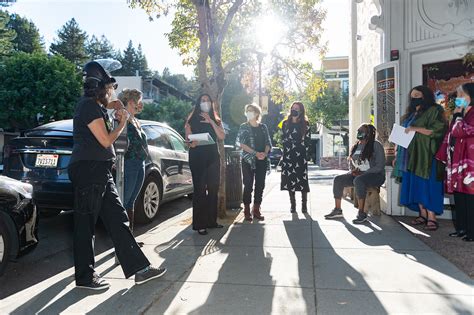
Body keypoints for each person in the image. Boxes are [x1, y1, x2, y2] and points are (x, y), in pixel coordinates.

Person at [68, 61, 166, 290]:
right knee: (85, 224)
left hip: (99, 170)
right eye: (110, 86)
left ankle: (140, 269)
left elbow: (111, 103)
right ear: (100, 86)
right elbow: (105, 140)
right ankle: (84, 277)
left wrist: (118, 105)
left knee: (118, 219)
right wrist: (122, 122)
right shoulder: (88, 107)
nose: (112, 90)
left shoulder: (95, 105)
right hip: (89, 170)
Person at [393, 85, 446, 231]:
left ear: (425, 96)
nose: (414, 98)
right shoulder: (411, 115)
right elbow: (403, 134)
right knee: (416, 185)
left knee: (428, 185)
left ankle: (432, 217)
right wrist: (397, 152)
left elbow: (437, 131)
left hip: (427, 156)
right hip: (410, 157)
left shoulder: (435, 110)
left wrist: (415, 129)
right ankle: (422, 214)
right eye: (412, 96)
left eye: (417, 95)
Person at [324, 123, 386, 223]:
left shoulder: (376, 145)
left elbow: (379, 166)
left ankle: (362, 213)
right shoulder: (357, 146)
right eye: (358, 131)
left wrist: (364, 173)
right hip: (360, 175)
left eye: (361, 131)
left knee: (359, 180)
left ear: (368, 133)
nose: (359, 133)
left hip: (376, 176)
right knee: (338, 179)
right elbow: (355, 164)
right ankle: (337, 210)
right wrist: (352, 171)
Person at [436, 83, 474, 241]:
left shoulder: (466, 115)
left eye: (461, 95)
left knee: (471, 197)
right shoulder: (461, 114)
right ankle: (462, 229)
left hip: (470, 162)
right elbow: (450, 135)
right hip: (458, 162)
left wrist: (457, 115)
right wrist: (442, 155)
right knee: (459, 197)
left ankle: (471, 232)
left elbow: (462, 131)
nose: (458, 99)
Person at [185, 94, 225, 235]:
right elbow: (188, 138)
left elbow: (221, 136)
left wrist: (211, 122)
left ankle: (211, 221)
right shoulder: (192, 119)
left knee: (213, 189)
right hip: (197, 158)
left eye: (208, 100)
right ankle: (200, 224)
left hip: (213, 157)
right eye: (203, 100)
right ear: (198, 103)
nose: (205, 102)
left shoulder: (216, 119)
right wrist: (192, 143)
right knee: (200, 190)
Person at [117, 88, 148, 232]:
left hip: (140, 162)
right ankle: (121, 241)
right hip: (129, 163)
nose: (141, 105)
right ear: (131, 102)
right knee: (124, 202)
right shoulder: (121, 117)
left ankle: (130, 238)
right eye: (139, 102)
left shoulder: (135, 120)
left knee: (131, 202)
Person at [236, 103, 272, 221]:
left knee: (260, 185)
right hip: (248, 160)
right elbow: (241, 144)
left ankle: (256, 209)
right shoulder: (243, 127)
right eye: (247, 111)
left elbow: (268, 142)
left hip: (262, 159)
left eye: (251, 110)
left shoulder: (263, 127)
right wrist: (255, 153)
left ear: (257, 113)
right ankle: (246, 209)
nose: (249, 113)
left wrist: (265, 154)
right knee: (248, 185)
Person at [280, 101, 311, 213]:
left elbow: (307, 141)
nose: (295, 110)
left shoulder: (305, 124)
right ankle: (293, 205)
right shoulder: (285, 123)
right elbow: (283, 138)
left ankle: (304, 205)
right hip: (288, 155)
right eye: (293, 108)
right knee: (290, 180)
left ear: (301, 110)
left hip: (300, 156)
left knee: (302, 179)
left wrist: (303, 149)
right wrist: (288, 146)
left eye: (297, 108)